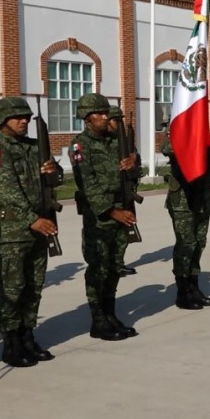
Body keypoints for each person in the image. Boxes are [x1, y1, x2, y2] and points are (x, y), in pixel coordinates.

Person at [0, 97, 62, 367]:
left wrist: (54, 171)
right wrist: (31, 219)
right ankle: (11, 341)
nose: (24, 120)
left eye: (26, 116)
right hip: (11, 233)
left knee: (34, 286)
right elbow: (5, 191)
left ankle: (28, 335)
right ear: (2, 120)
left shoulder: (34, 147)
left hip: (40, 227)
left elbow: (57, 177)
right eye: (17, 117)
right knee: (12, 288)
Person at [70, 93, 138, 340]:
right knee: (98, 268)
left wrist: (134, 163)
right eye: (99, 113)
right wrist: (111, 211)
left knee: (113, 268)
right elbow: (87, 183)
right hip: (100, 217)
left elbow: (132, 171)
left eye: (105, 112)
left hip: (122, 210)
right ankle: (98, 320)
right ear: (87, 118)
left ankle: (110, 314)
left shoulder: (114, 141)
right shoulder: (80, 145)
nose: (105, 117)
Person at [161, 113, 210, 309]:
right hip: (182, 200)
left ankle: (194, 286)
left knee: (199, 243)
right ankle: (182, 291)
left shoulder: (203, 135)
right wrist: (179, 132)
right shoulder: (176, 134)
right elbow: (167, 149)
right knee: (186, 244)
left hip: (202, 198)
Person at [107, 106, 138, 277]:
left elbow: (137, 168)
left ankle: (119, 262)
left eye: (121, 120)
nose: (119, 124)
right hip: (107, 198)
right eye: (115, 120)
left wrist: (135, 161)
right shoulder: (103, 143)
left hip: (125, 192)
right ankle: (111, 264)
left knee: (123, 232)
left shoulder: (125, 142)